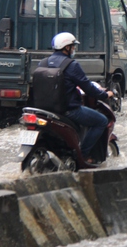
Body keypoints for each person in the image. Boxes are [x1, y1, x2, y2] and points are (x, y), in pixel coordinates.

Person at [46, 32, 115, 161]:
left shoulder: (44, 62)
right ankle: (82, 155)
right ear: (66, 48)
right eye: (72, 47)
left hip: (46, 110)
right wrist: (105, 94)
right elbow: (88, 88)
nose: (74, 49)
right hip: (68, 111)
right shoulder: (71, 65)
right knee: (101, 121)